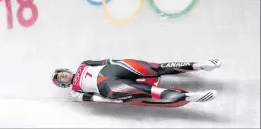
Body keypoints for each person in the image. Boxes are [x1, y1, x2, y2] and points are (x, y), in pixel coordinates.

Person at [52, 58, 221, 103]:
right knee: (147, 90)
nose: (64, 76)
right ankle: (190, 97)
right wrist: (110, 100)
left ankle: (200, 65)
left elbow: (106, 61)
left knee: (155, 67)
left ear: (66, 71)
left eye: (62, 73)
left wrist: (121, 62)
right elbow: (92, 98)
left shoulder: (84, 63)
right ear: (63, 84)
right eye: (61, 79)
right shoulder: (74, 92)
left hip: (113, 69)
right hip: (107, 86)